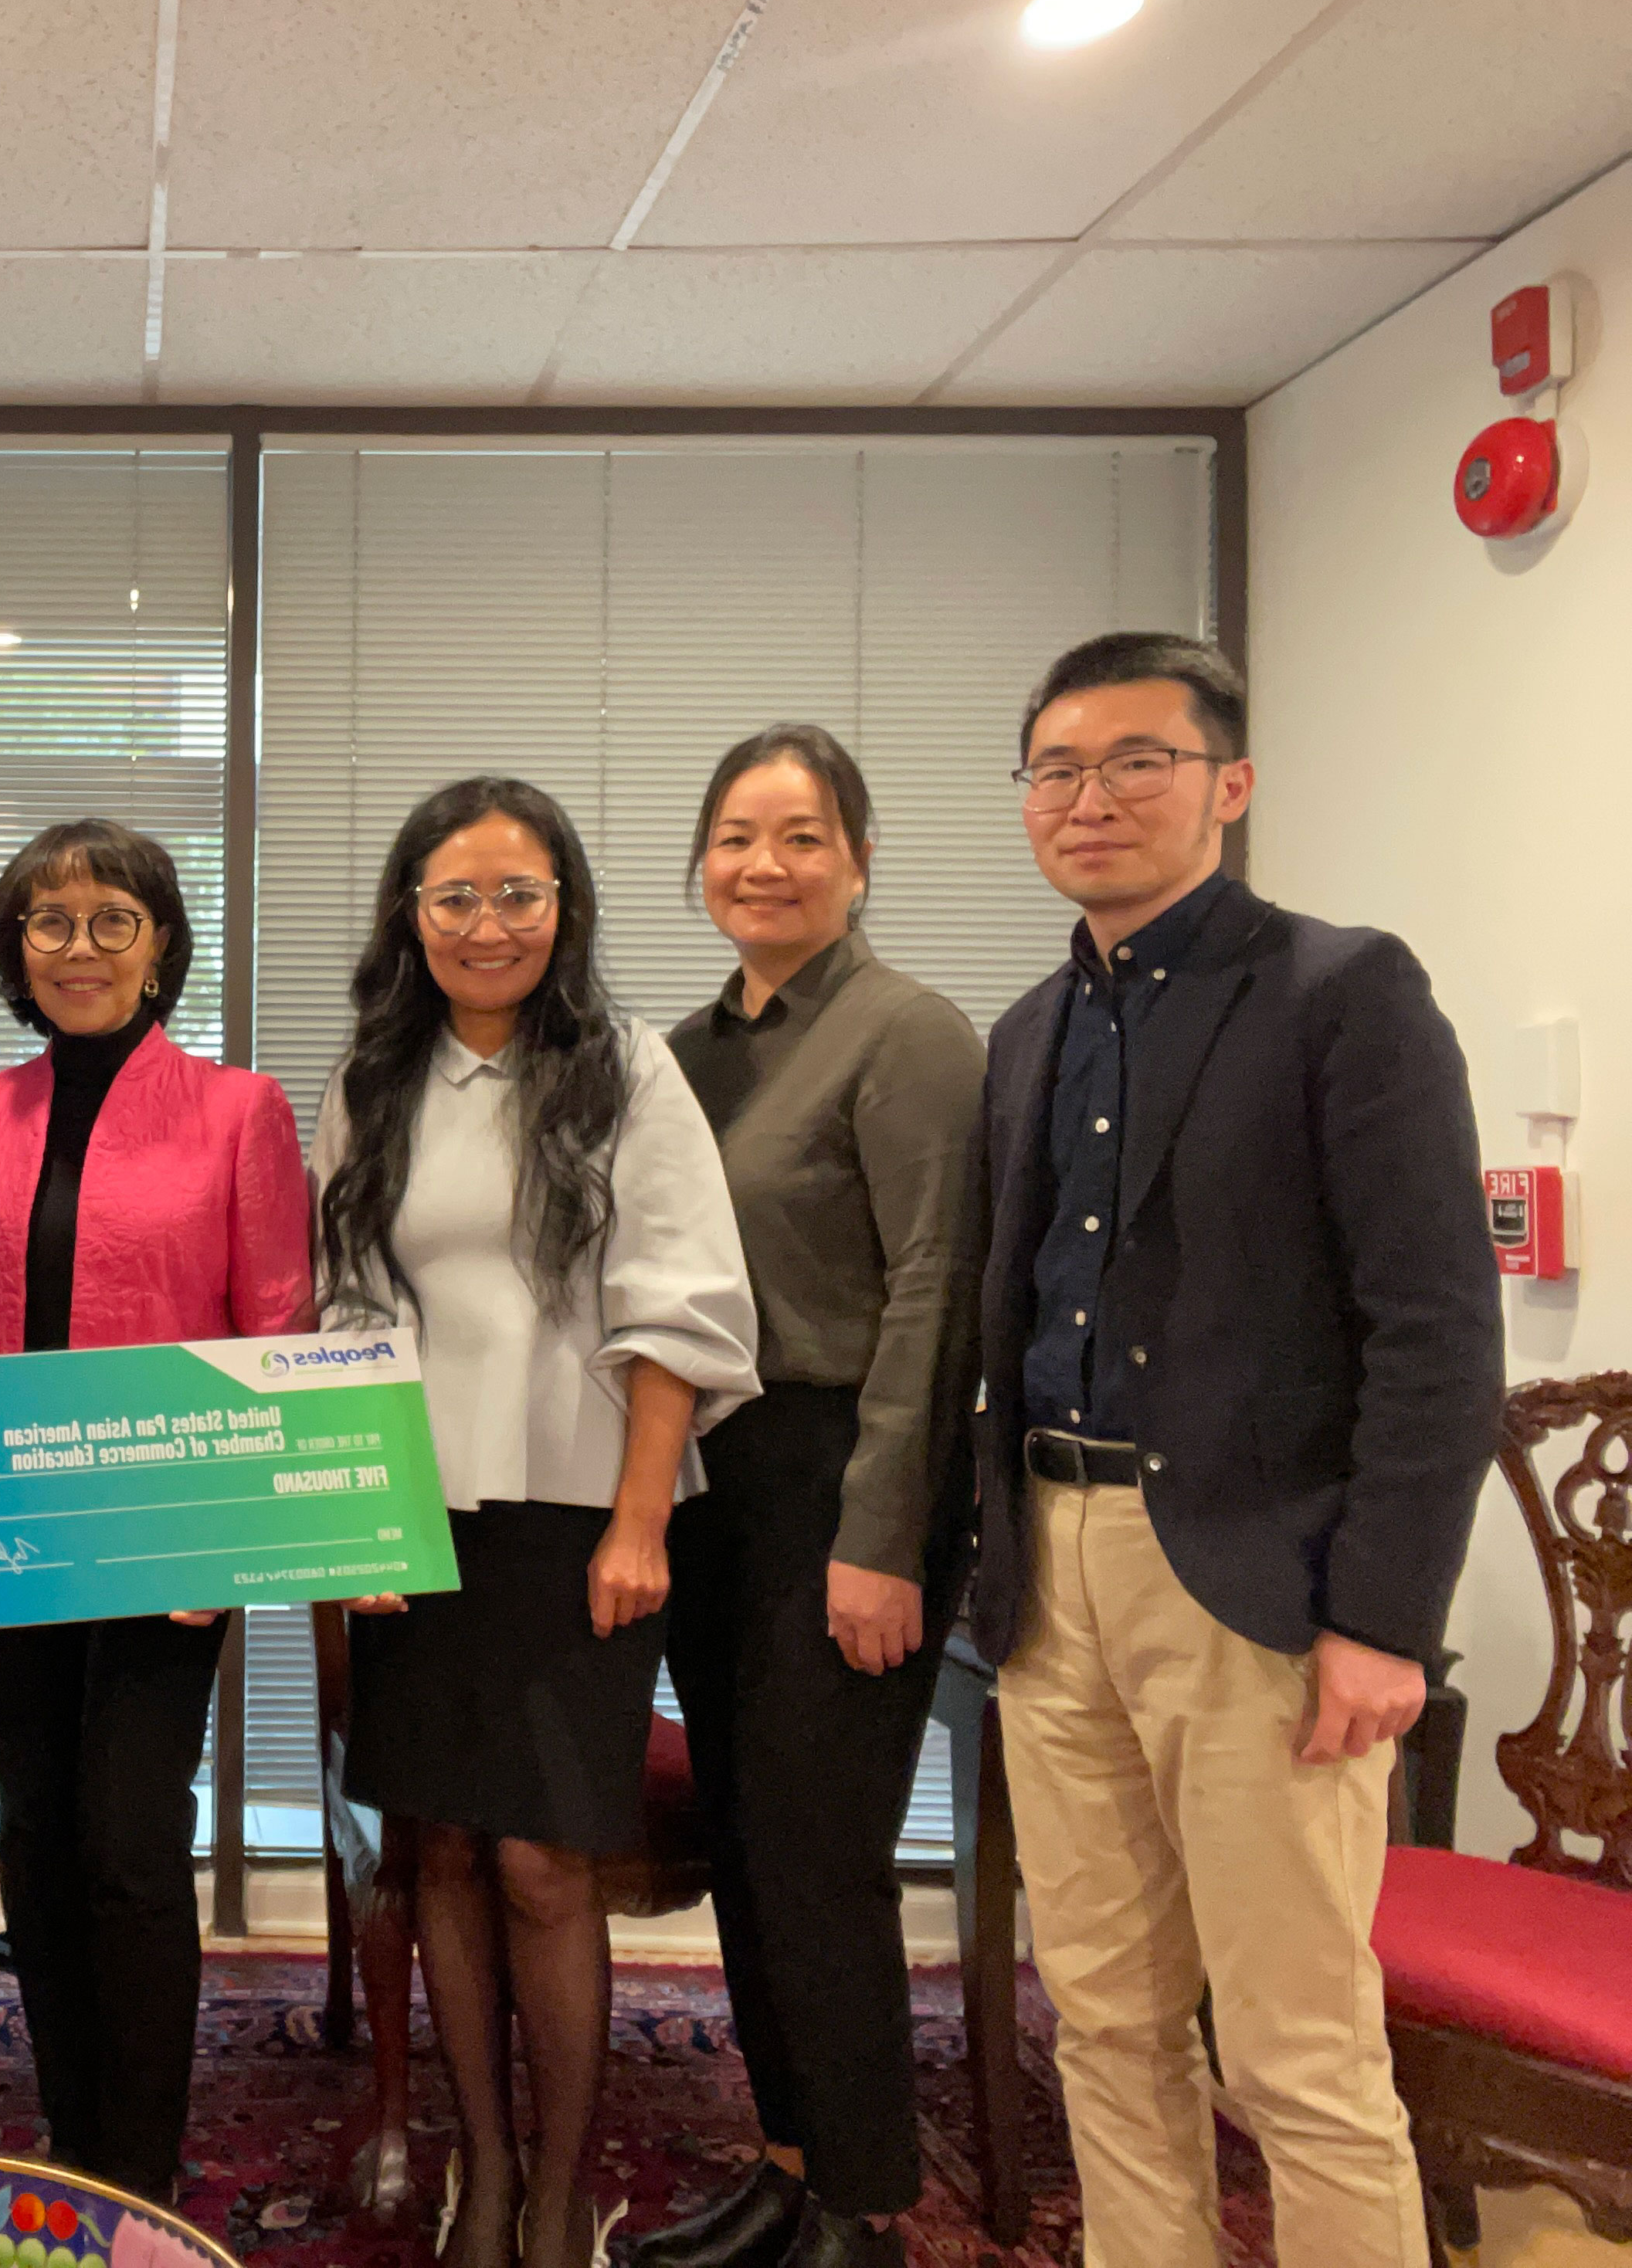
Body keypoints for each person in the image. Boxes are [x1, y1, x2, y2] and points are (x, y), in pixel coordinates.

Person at [972, 632, 1499, 2268]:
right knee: (1109, 2024)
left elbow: (1437, 1329)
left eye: (1139, 761)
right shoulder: (1028, 1029)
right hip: (1051, 1578)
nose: (1093, 799)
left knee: (1296, 2051)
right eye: (1057, 769)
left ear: (1231, 785)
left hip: (1256, 1588)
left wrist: (1384, 1619)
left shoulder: (1346, 992)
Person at [315, 775, 759, 2268]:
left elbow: (681, 1310)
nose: (488, 924)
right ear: (411, 916)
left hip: (581, 1524)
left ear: (563, 909)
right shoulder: (374, 1080)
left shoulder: (627, 1069)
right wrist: (361, 1525)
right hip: (416, 1522)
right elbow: (345, 1315)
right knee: (437, 1848)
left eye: (519, 893)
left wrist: (641, 1525)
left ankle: (562, 2191)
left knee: (543, 1865)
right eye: (456, 897)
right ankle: (485, 2174)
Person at [0, 819, 314, 2200]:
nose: (79, 947)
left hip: (167, 1532)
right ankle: (69, 2131)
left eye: (110, 920)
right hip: (10, 1526)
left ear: (161, 946)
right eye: (49, 922)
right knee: (33, 1833)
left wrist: (236, 1535)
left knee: (130, 1843)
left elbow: (274, 1333)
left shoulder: (239, 1111)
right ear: (18, 951)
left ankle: (138, 2164)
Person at [640, 729, 986, 2268]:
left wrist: (883, 1535)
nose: (763, 866)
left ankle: (866, 2205)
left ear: (858, 856)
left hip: (849, 1472)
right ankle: (783, 2165)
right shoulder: (686, 1053)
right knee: (750, 1844)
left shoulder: (909, 1034)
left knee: (827, 1860)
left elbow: (935, 1294)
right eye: (734, 837)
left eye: (799, 836)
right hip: (717, 1484)